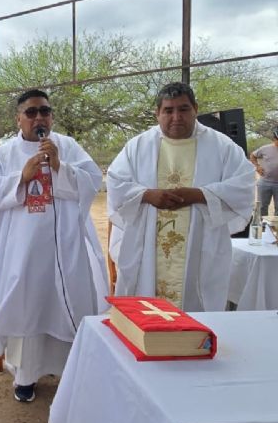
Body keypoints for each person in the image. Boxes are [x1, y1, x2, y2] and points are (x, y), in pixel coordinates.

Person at [0, 89, 107, 403]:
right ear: (18, 118)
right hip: (25, 250)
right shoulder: (2, 156)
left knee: (72, 299)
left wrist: (61, 166)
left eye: (45, 112)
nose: (39, 118)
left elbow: (92, 182)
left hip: (67, 245)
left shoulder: (68, 146)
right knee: (28, 303)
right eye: (31, 112)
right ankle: (26, 376)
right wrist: (21, 178)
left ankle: (71, 371)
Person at [107, 82, 254, 311]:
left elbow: (244, 186)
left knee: (195, 313)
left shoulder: (221, 146)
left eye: (183, 109)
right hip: (148, 248)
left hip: (200, 246)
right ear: (157, 113)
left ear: (195, 109)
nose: (176, 117)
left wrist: (199, 195)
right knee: (147, 311)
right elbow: (116, 185)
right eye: (168, 110)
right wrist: (147, 196)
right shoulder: (138, 146)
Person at [249, 126, 278, 217]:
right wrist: (257, 167)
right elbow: (252, 155)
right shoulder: (265, 148)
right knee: (262, 207)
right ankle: (263, 228)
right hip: (265, 183)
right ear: (275, 138)